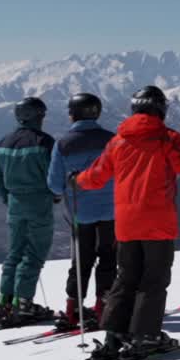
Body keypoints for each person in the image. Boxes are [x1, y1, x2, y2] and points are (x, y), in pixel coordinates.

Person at [73, 85, 180, 360]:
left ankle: (114, 336)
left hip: (127, 224)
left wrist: (76, 179)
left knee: (126, 278)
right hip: (158, 222)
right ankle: (145, 336)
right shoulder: (168, 138)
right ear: (161, 109)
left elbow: (96, 176)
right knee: (153, 281)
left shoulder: (118, 141)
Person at [47, 92, 116, 331]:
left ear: (72, 114)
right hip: (112, 211)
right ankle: (103, 306)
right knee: (108, 258)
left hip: (80, 212)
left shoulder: (63, 144)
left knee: (81, 262)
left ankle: (73, 308)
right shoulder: (113, 140)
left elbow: (54, 185)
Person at [0, 96, 57, 327]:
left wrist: (7, 198)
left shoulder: (2, 143)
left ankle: (5, 302)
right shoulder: (44, 142)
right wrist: (56, 194)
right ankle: (24, 305)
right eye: (42, 115)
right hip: (39, 203)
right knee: (33, 255)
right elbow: (53, 175)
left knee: (14, 253)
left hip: (15, 204)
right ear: (37, 116)